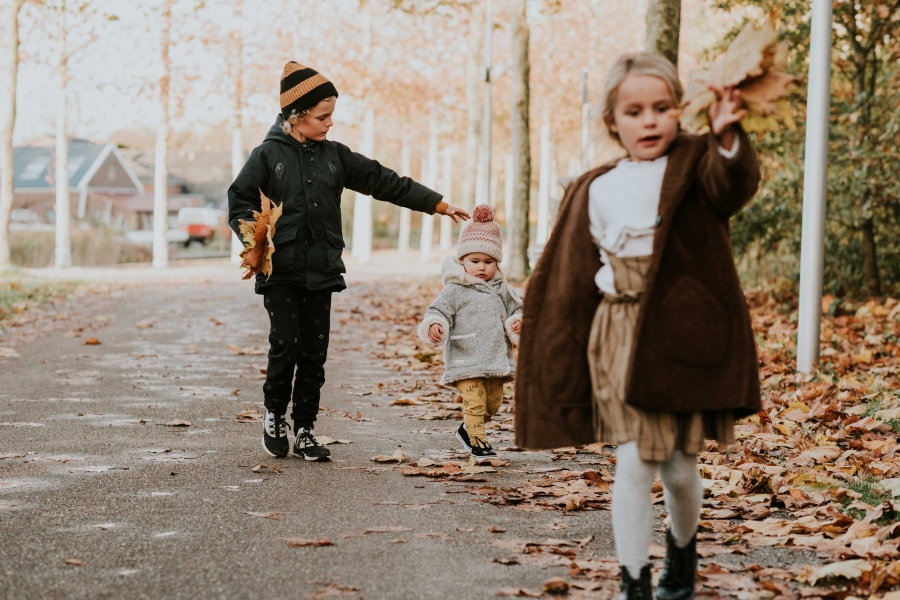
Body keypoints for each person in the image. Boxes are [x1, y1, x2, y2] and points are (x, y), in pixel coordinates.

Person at [514, 52, 762, 600]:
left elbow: (734, 186)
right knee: (632, 458)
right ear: (612, 122)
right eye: (634, 111)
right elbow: (572, 274)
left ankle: (682, 545)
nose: (648, 121)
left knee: (676, 467)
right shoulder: (595, 186)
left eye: (661, 108)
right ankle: (634, 582)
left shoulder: (698, 165)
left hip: (681, 335)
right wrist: (543, 332)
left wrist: (728, 136)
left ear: (680, 112)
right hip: (619, 333)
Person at [228, 61, 469, 461]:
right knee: (286, 344)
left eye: (331, 116)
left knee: (314, 353)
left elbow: (383, 180)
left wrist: (438, 204)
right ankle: (274, 414)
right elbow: (240, 199)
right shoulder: (268, 155)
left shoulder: (335, 156)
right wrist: (252, 236)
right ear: (296, 115)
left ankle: (304, 429)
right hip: (281, 271)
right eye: (323, 117)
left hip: (322, 269)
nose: (329, 124)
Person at [418, 205, 522, 458]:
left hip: (496, 358)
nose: (482, 268)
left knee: (493, 405)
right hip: (466, 357)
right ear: (462, 260)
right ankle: (479, 442)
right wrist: (434, 324)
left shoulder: (502, 289)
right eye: (475, 261)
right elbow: (438, 310)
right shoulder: (454, 289)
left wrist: (519, 321)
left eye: (489, 262)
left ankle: (467, 430)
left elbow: (516, 310)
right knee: (474, 403)